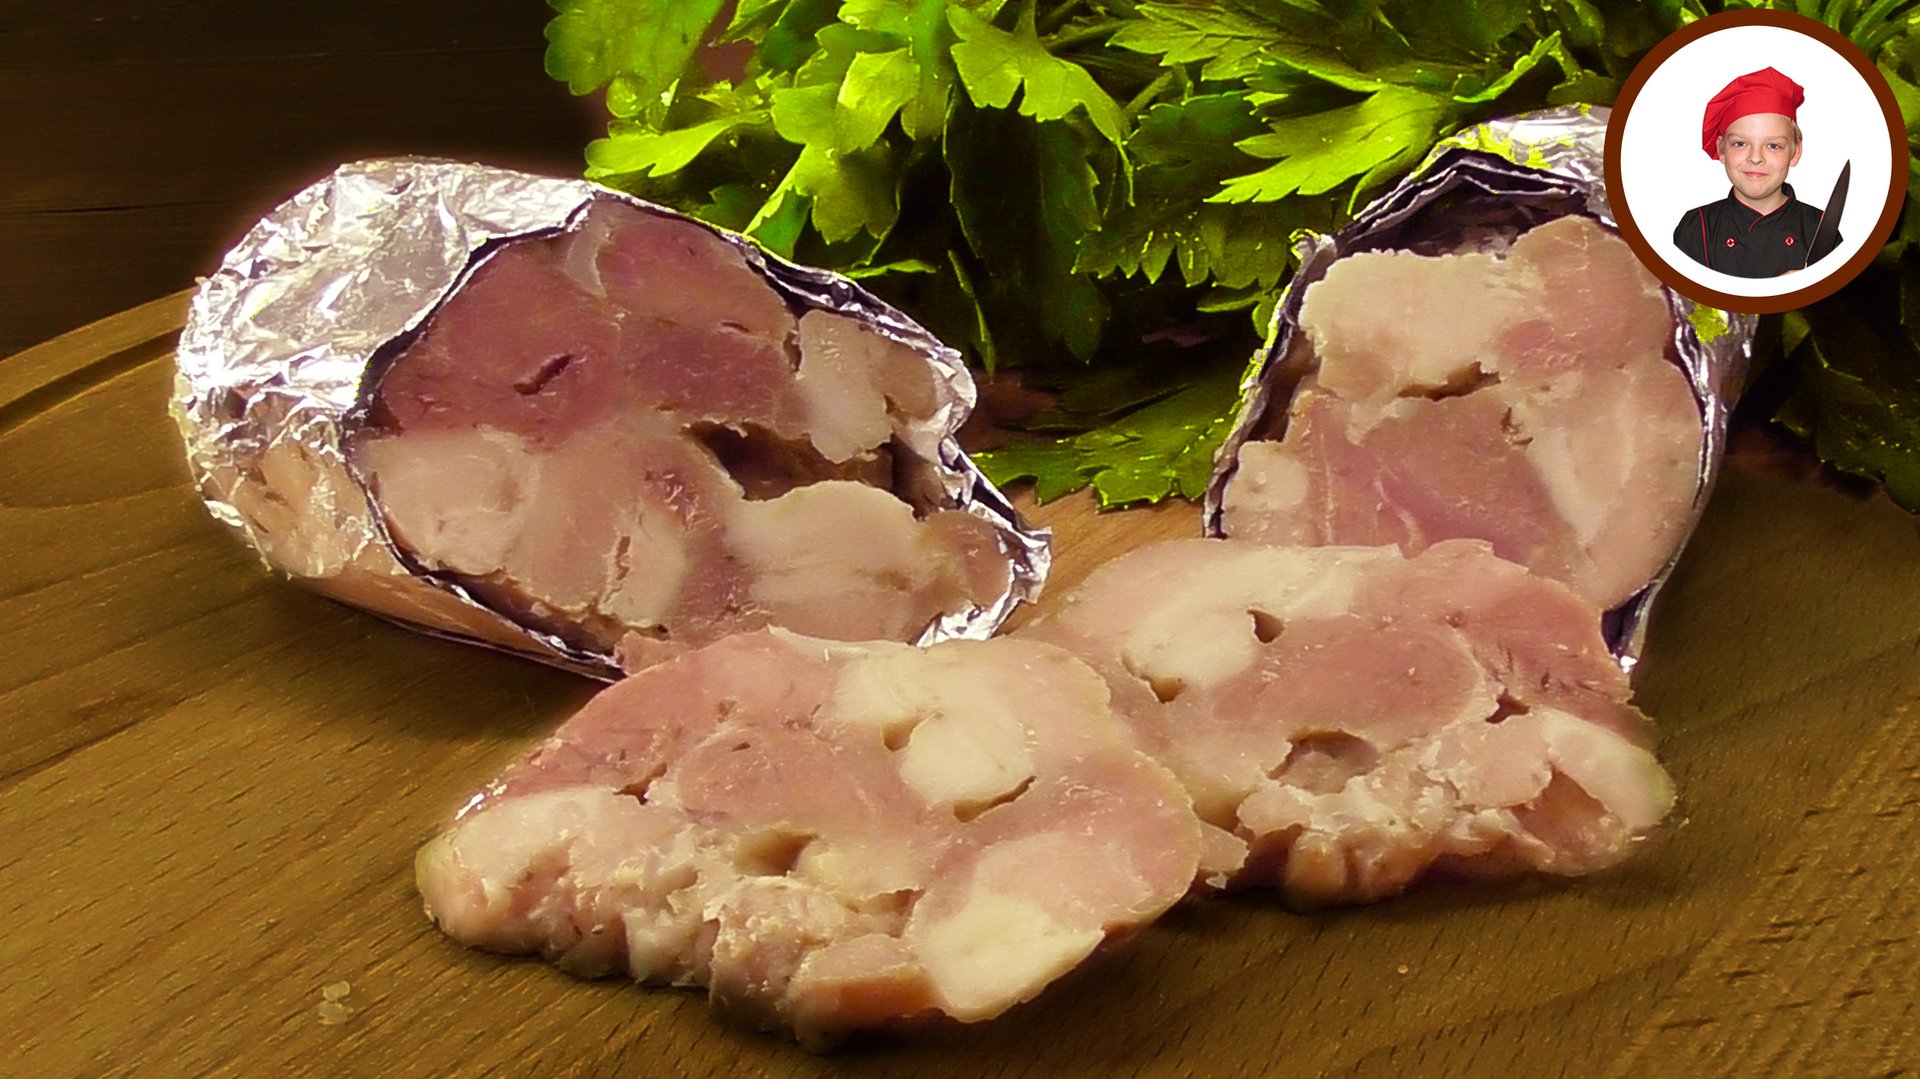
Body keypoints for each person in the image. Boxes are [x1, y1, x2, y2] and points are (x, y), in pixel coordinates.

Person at [1672, 66, 1840, 276]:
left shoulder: (1823, 230)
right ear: (1721, 149)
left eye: (1773, 146)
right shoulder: (1697, 227)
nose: (1756, 157)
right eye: (1740, 144)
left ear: (1795, 152)